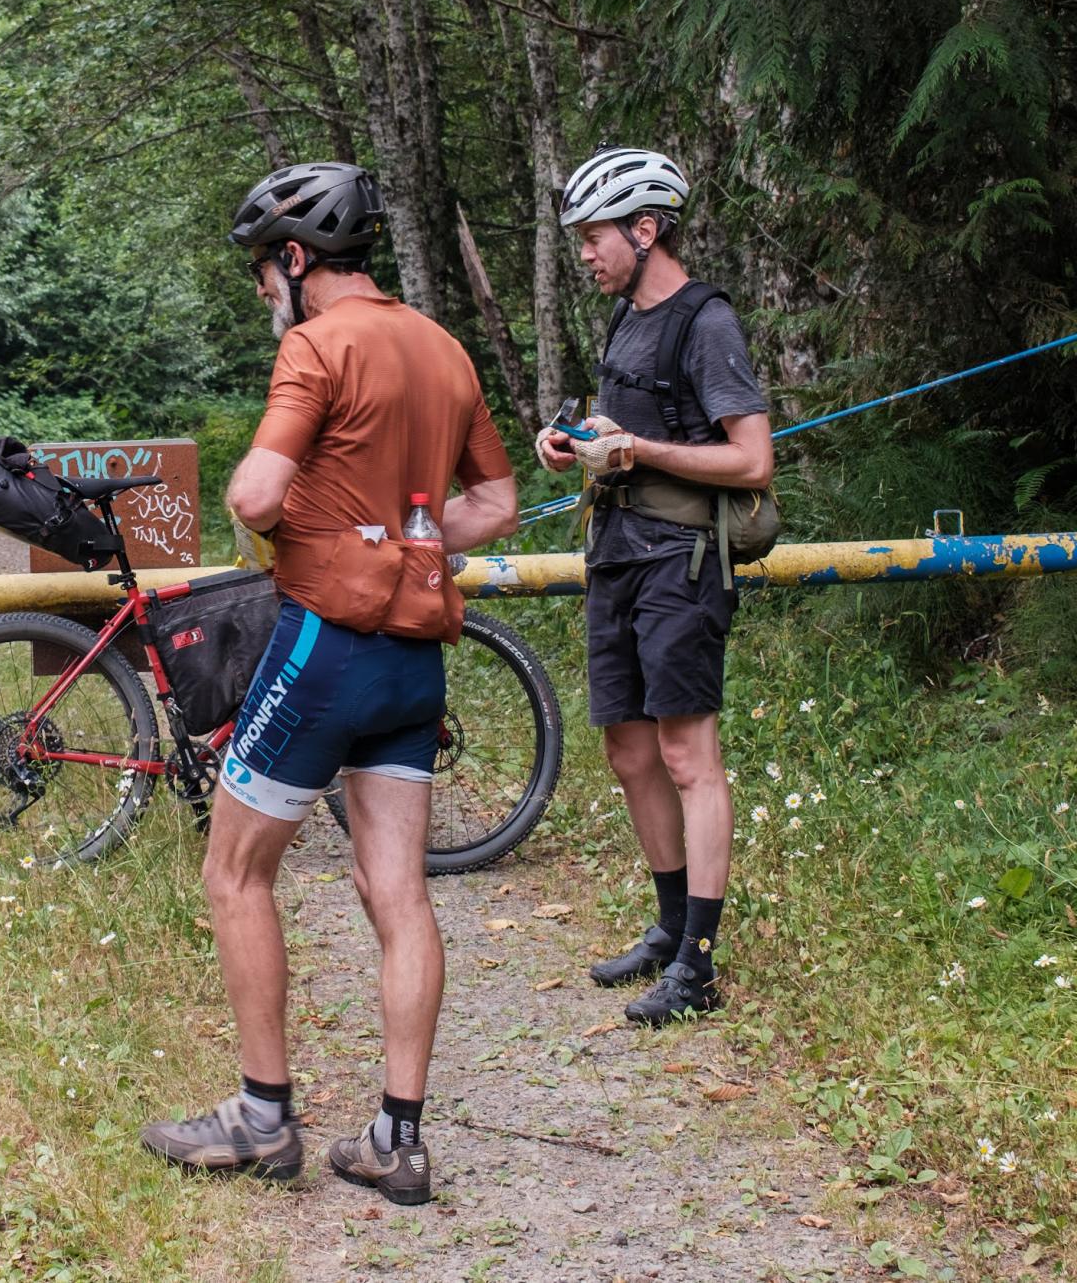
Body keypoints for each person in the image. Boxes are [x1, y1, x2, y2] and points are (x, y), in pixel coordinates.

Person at [140, 160, 519, 1205]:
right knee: (397, 890)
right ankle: (397, 1139)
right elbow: (495, 501)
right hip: (414, 661)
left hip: (327, 645)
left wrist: (310, 521)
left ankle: (263, 1117)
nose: (265, 288)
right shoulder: (441, 347)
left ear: (299, 257)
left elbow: (255, 494)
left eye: (265, 269)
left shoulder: (316, 345)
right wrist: (410, 537)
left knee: (234, 872)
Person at [535, 147, 774, 1026]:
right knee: (629, 751)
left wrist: (639, 450)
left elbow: (752, 459)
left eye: (593, 235)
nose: (585, 253)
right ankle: (671, 930)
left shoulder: (706, 321)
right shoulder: (624, 318)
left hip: (683, 559)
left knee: (685, 754)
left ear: (645, 229)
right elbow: (621, 430)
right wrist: (571, 444)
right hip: (617, 552)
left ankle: (698, 966)